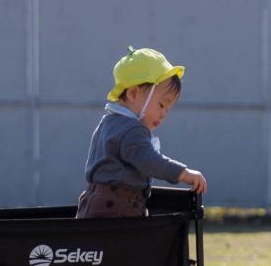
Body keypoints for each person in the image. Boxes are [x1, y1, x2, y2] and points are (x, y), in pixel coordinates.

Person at [77, 46, 207, 218]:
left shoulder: (108, 122)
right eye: (161, 105)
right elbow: (149, 161)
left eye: (168, 109)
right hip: (117, 209)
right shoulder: (132, 129)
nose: (163, 114)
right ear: (132, 94)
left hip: (93, 204)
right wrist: (183, 173)